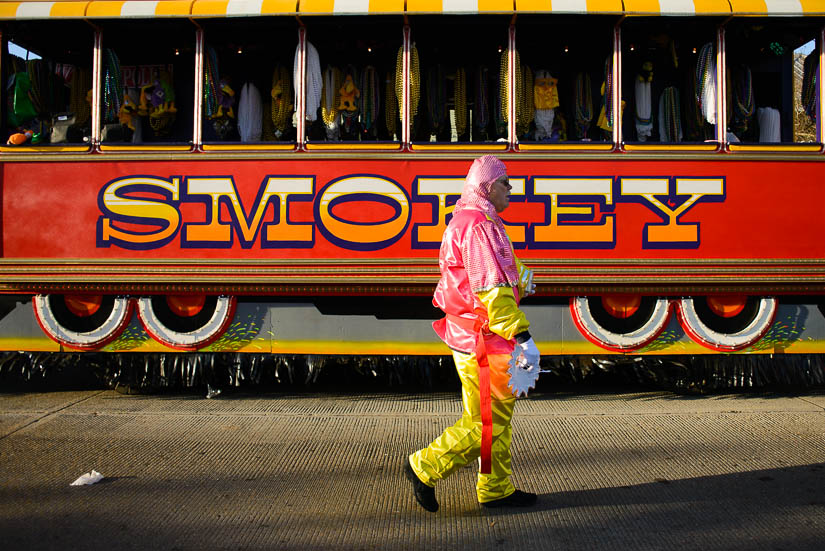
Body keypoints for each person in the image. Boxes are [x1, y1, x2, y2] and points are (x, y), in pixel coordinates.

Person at [404, 155, 541, 512]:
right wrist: (523, 336)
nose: (511, 189)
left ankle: (495, 487)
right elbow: (491, 289)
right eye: (505, 182)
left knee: (495, 417)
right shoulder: (480, 226)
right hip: (485, 339)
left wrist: (521, 276)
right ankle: (424, 466)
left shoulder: (470, 220)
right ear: (487, 187)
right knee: (488, 423)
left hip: (471, 334)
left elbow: (497, 268)